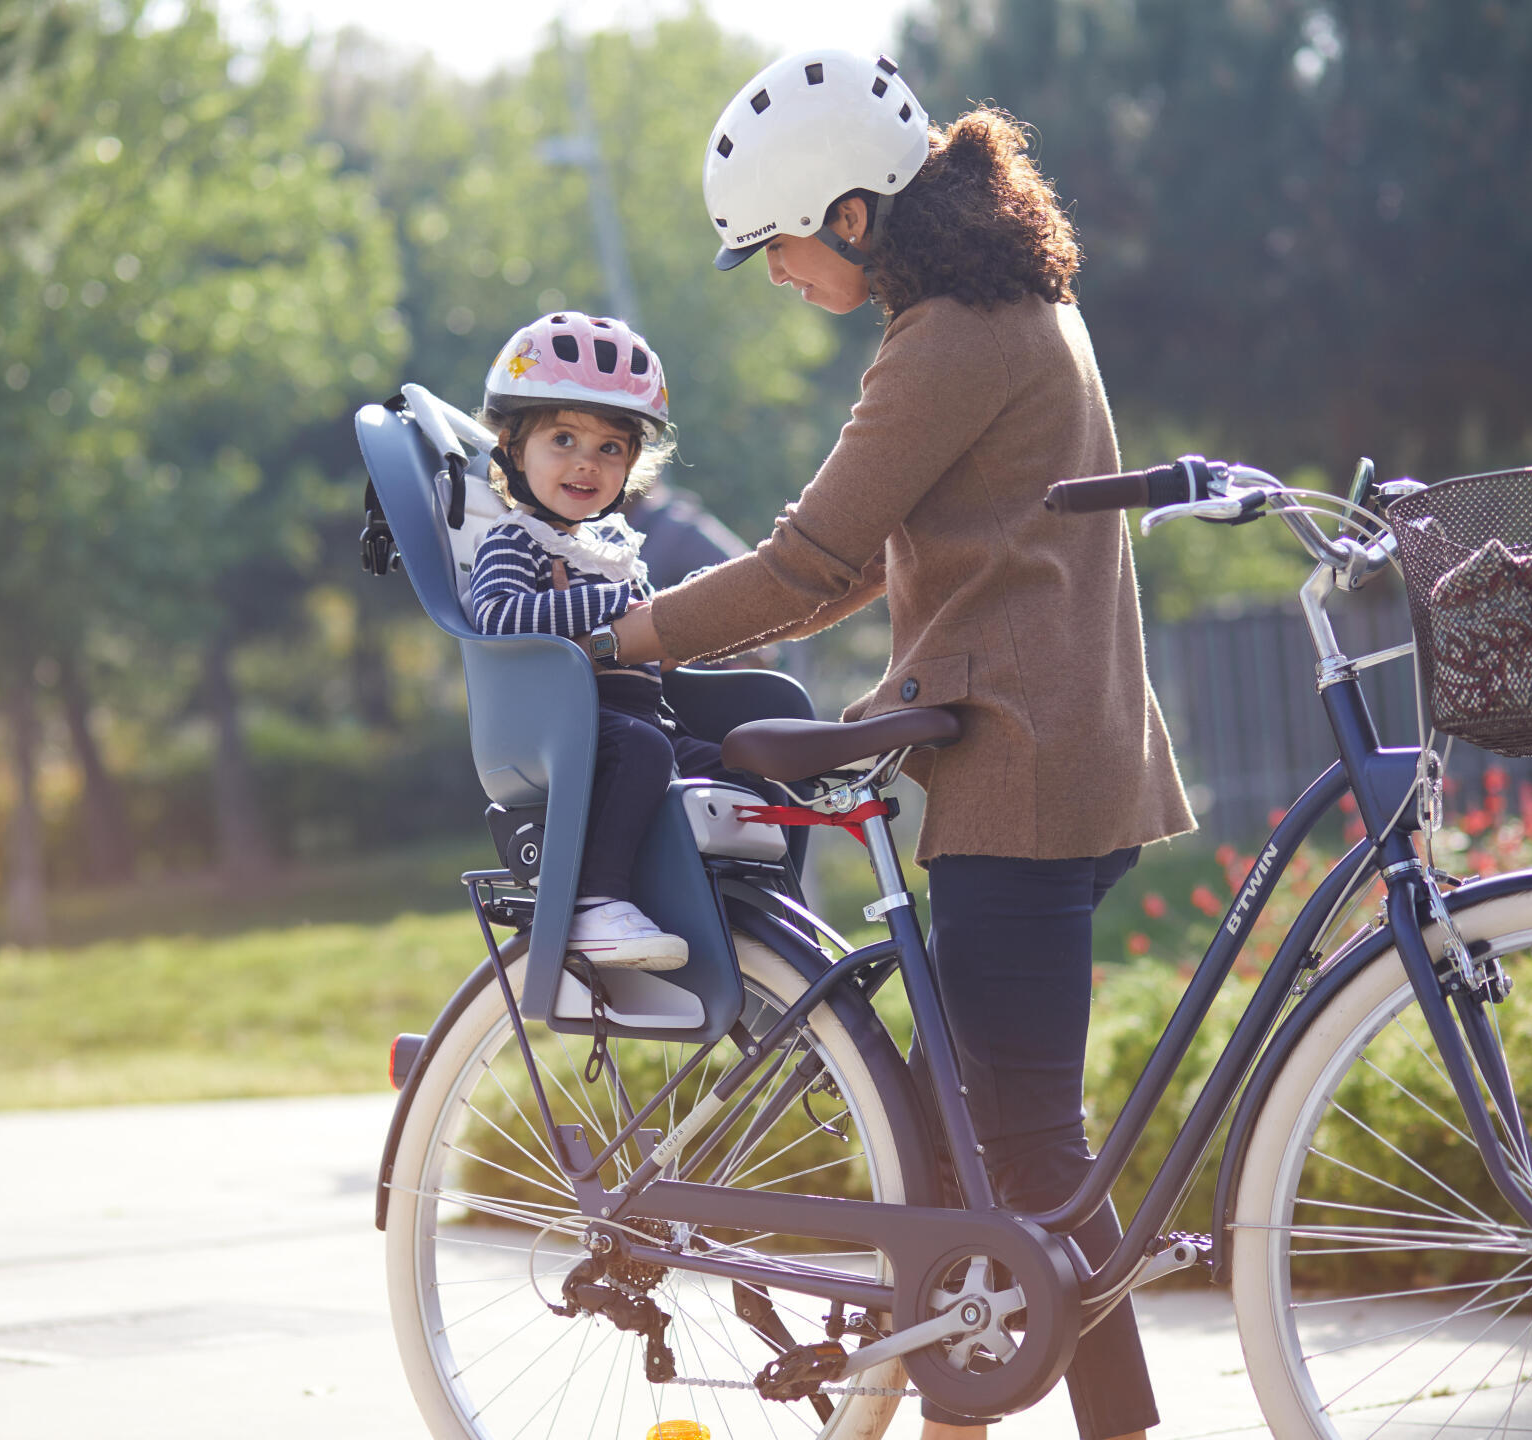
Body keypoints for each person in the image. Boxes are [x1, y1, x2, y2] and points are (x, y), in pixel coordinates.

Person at [607, 50, 1195, 1440]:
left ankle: (1004, 1417)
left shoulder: (949, 339)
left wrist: (625, 640)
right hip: (1081, 757)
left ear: (853, 216)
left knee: (1027, 1145)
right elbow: (905, 546)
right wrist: (756, 604)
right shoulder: (1021, 306)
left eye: (777, 244)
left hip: (1018, 772)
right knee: (1006, 1141)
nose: (775, 274)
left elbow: (811, 556)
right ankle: (1027, 1418)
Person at [471, 311, 779, 970]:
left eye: (611, 448)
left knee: (743, 764)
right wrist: (611, 603)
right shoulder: (516, 540)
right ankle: (594, 902)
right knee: (639, 749)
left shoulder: (613, 549)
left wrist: (698, 625)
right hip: (571, 726)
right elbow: (496, 617)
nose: (587, 463)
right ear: (511, 448)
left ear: (633, 464)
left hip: (647, 719)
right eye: (563, 439)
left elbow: (648, 633)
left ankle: (752, 913)